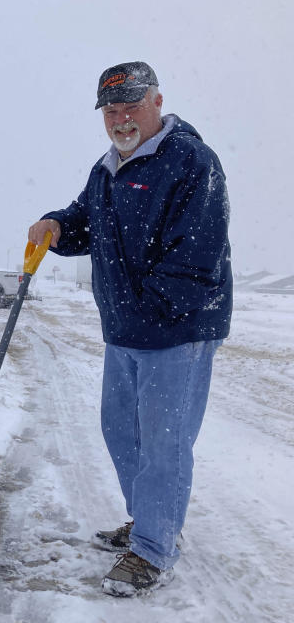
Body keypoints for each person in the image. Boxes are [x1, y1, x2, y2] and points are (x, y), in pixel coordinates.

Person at [27, 61, 232, 597]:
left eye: (131, 107)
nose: (121, 119)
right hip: (124, 330)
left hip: (176, 331)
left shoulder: (191, 161)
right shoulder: (108, 168)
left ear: (157, 102)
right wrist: (56, 224)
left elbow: (197, 257)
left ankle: (155, 548)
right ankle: (149, 520)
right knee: (122, 432)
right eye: (111, 111)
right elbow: (85, 221)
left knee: (164, 443)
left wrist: (147, 308)